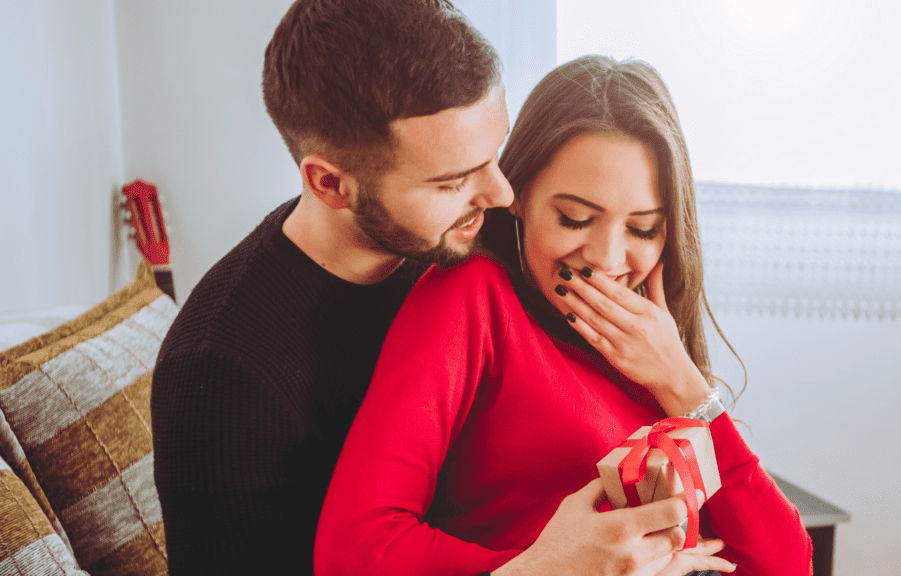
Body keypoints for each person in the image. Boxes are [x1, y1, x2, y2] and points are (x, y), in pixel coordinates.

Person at [151, 1, 726, 575]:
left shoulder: (471, 241)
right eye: (452, 181)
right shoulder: (220, 371)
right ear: (331, 184)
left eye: (493, 154)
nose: (502, 193)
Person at [313, 56, 815, 576]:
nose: (607, 257)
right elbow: (352, 552)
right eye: (574, 218)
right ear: (520, 194)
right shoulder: (471, 299)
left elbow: (787, 564)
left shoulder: (657, 344)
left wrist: (684, 385)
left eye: (643, 229)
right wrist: (552, 567)